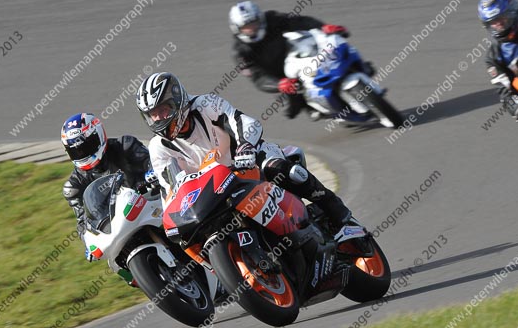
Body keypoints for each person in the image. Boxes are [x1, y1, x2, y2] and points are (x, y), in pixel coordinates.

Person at [134, 71, 365, 243]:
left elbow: (243, 123)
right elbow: (170, 188)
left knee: (282, 169)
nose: (159, 119)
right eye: (152, 115)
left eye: (163, 110)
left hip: (246, 163)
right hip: (212, 194)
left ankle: (342, 217)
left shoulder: (206, 105)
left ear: (177, 100)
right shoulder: (158, 147)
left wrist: (245, 147)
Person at [229, 0, 351, 119]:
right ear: (237, 29)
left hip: (291, 53)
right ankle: (312, 107)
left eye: (254, 23)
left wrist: (323, 27)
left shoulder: (272, 18)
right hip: (277, 75)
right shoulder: (240, 52)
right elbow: (258, 78)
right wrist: (279, 84)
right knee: (290, 109)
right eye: (246, 27)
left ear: (260, 19)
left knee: (328, 46)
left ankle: (351, 65)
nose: (252, 29)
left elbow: (298, 21)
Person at [61, 112, 151, 262]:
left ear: (98, 135)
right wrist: (88, 243)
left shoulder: (125, 145)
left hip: (148, 202)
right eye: (76, 151)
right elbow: (82, 222)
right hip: (116, 227)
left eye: (86, 146)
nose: (83, 154)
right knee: (116, 261)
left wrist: (151, 175)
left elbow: (153, 162)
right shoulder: (74, 186)